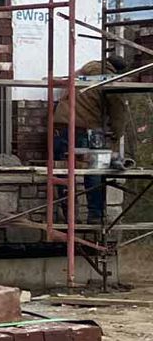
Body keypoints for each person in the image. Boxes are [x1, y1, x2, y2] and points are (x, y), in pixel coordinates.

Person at [51, 54, 128, 226]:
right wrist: (116, 136)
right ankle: (95, 215)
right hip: (88, 129)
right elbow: (118, 112)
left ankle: (69, 215)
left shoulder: (82, 72)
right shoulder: (111, 80)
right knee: (95, 170)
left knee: (64, 171)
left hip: (61, 126)